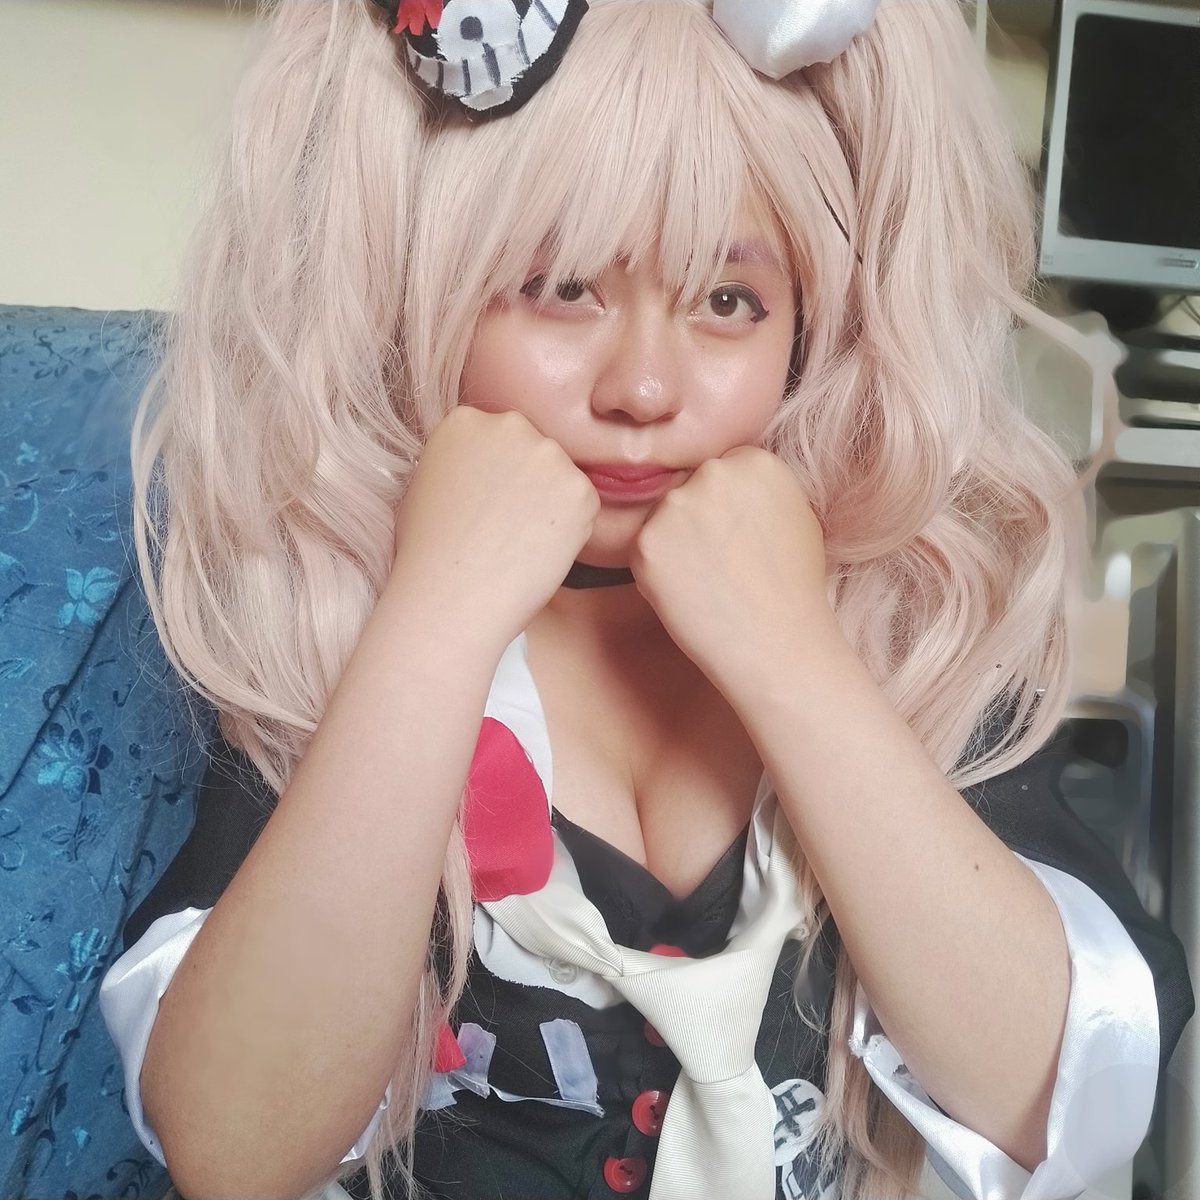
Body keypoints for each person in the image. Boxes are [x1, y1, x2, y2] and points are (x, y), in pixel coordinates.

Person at [98, 1, 1193, 1198]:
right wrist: (433, 622)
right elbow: (234, 1150)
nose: (644, 388)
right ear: (425, 288)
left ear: (808, 330)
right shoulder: (324, 627)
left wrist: (794, 658)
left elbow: (1059, 1098)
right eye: (562, 286)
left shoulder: (910, 624)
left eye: (728, 300)